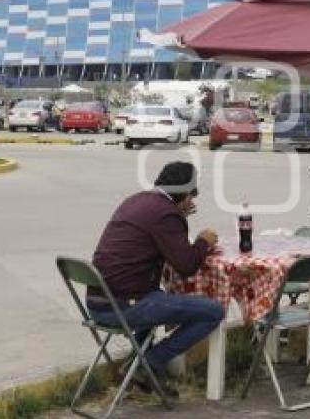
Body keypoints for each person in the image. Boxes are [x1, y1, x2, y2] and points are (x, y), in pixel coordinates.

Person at [88, 162, 224, 394]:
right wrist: (204, 241)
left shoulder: (138, 200)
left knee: (156, 296)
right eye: (193, 192)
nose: (194, 197)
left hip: (97, 304)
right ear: (183, 192)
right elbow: (187, 265)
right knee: (213, 312)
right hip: (123, 307)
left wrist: (179, 214)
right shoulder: (167, 215)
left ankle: (140, 366)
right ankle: (148, 363)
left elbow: (166, 242)